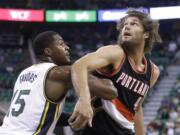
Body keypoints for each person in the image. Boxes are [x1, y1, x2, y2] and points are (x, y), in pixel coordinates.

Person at [0, 31, 118, 135]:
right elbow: (110, 91)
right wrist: (105, 67)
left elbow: (34, 114)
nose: (67, 47)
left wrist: (74, 118)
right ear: (48, 51)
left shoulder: (24, 73)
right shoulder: (60, 73)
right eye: (61, 44)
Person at [70, 9, 162, 135]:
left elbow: (137, 107)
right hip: (98, 129)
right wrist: (84, 100)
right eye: (124, 24)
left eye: (133, 24)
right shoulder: (116, 53)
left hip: (125, 131)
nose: (127, 27)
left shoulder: (153, 72)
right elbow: (79, 65)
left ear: (146, 34)